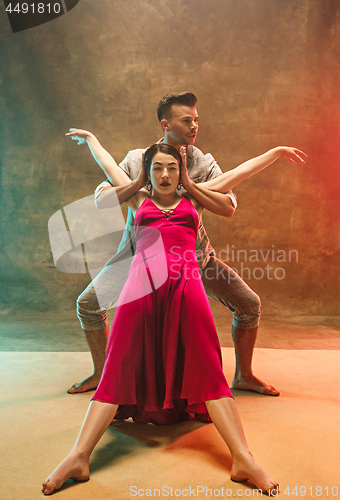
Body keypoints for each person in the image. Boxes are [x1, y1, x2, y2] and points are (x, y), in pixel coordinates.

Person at [43, 138, 303, 495]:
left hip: (186, 285)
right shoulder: (138, 199)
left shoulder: (194, 197)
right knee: (118, 367)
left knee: (209, 367)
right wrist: (91, 140)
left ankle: (243, 458)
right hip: (141, 288)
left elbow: (241, 172)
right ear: (148, 174)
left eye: (172, 168)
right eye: (157, 168)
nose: (165, 174)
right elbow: (108, 167)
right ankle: (78, 456)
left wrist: (275, 153)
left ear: (181, 172)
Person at [67, 92, 306, 398]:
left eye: (196, 120)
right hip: (138, 260)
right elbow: (104, 188)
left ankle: (244, 376)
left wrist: (193, 187)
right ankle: (103, 374)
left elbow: (230, 199)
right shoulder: (138, 165)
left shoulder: (201, 165)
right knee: (88, 304)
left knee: (249, 306)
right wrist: (134, 178)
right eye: (187, 120)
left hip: (193, 261)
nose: (195, 126)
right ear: (166, 124)